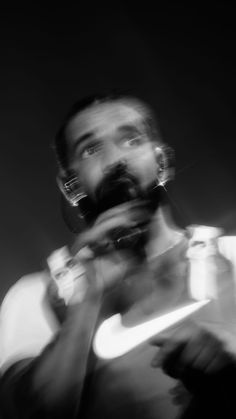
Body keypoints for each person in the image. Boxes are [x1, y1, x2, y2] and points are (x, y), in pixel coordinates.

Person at [1, 92, 236, 419]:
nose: (115, 160)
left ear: (162, 162)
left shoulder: (233, 257)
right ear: (71, 185)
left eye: (131, 139)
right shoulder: (33, 296)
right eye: (91, 149)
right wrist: (87, 301)